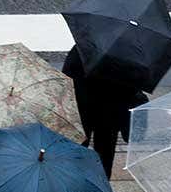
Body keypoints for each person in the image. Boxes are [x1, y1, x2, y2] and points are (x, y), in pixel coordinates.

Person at [61, 46, 147, 178]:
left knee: (78, 150)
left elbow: (66, 77)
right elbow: (133, 89)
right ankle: (102, 186)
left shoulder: (81, 49)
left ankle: (75, 182)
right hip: (111, 116)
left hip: (82, 111)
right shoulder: (129, 57)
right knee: (105, 156)